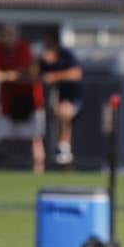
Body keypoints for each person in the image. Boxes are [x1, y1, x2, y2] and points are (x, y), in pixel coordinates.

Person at [0, 24, 44, 173]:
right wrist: (8, 76)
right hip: (8, 102)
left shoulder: (24, 48)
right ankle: (8, 168)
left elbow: (25, 71)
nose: (7, 37)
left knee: (34, 137)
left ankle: (38, 169)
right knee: (7, 137)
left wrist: (8, 75)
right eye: (4, 34)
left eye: (10, 34)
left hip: (29, 100)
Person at [36, 34, 84, 166]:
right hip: (53, 99)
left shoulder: (66, 55)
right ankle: (60, 148)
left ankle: (64, 148)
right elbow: (35, 73)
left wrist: (54, 77)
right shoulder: (43, 60)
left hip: (73, 96)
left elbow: (76, 73)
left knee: (65, 112)